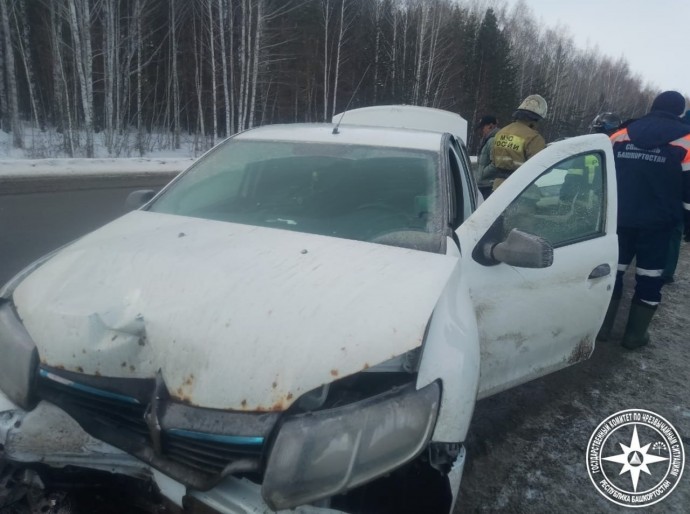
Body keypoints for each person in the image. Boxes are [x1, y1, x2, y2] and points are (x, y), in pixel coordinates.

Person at [598, 91, 690, 349]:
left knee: (613, 271)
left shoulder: (621, 134)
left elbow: (604, 175)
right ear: (679, 111)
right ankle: (634, 336)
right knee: (649, 278)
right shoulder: (687, 140)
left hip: (620, 219)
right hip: (659, 225)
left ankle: (602, 328)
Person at [483, 94, 547, 190]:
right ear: (535, 120)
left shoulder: (501, 133)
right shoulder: (534, 138)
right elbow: (541, 167)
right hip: (521, 190)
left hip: (498, 188)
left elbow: (493, 160)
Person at [661, 108, 690, 284]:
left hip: (663, 187)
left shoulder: (675, 132)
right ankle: (666, 271)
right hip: (680, 192)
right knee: (674, 233)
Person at [475, 115, 499, 183]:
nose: (481, 130)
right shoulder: (489, 140)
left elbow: (495, 164)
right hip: (486, 183)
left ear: (490, 126)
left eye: (482, 127)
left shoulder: (493, 141)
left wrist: (482, 174)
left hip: (488, 184)